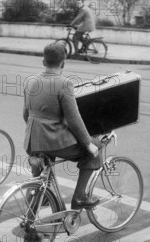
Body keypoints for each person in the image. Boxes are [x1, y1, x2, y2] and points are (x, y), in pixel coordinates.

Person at [23, 42, 101, 221]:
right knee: (96, 149)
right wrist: (88, 143)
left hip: (32, 142)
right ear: (63, 64)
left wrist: (37, 136)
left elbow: (26, 115)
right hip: (53, 140)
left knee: (39, 184)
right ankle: (80, 197)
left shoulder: (30, 82)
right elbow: (74, 120)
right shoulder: (64, 84)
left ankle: (29, 226)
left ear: (43, 61)